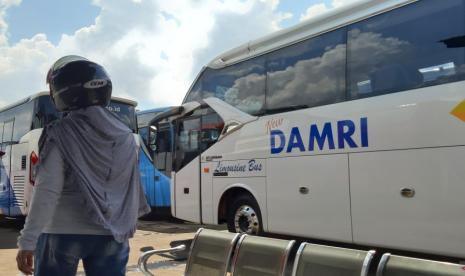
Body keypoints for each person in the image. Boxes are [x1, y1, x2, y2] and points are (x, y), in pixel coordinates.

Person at [16, 55, 150, 276]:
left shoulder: (60, 133)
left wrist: (27, 241)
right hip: (113, 233)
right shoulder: (126, 136)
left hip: (61, 232)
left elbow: (47, 190)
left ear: (62, 92)